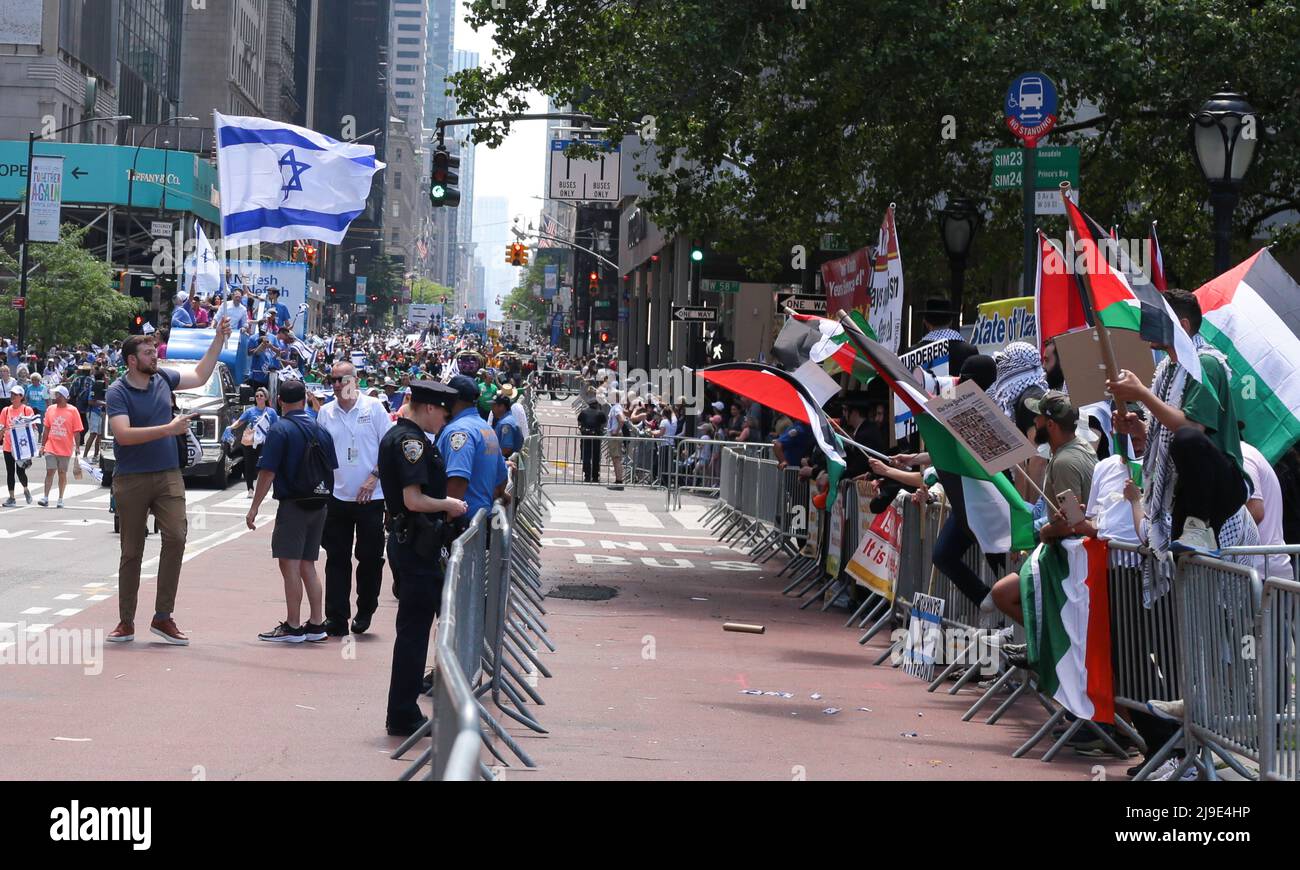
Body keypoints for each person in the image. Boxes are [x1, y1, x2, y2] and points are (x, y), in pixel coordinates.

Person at [105, 320, 232, 645]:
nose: (155, 356)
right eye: (148, 353)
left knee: (176, 537)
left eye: (154, 351)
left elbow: (201, 375)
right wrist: (168, 429)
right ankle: (126, 621)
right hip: (131, 478)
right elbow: (123, 435)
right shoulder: (117, 391)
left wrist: (218, 339)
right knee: (131, 552)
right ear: (132, 360)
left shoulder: (163, 378)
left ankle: (163, 617)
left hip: (168, 474)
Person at [1107, 288, 1249, 558]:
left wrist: (1142, 394)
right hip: (1188, 489)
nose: (1144, 327)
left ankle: (1201, 527)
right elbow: (1168, 437)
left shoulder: (1205, 363)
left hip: (1220, 486)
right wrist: (1139, 429)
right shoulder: (1168, 369)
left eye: (1153, 319)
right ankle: (1197, 531)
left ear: (1182, 326)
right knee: (1182, 567)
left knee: (1187, 439)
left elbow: (1191, 431)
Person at [378, 380, 468, 736]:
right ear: (430, 408)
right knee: (414, 633)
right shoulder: (410, 442)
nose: (444, 422)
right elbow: (413, 500)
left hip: (415, 543)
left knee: (415, 630)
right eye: (443, 414)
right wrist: (449, 504)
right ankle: (402, 714)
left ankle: (403, 711)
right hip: (415, 544)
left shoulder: (406, 437)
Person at [990, 391, 1097, 625]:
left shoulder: (1064, 463)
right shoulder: (1078, 448)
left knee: (1002, 594)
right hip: (1067, 558)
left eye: (1038, 417)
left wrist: (1046, 532)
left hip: (1070, 562)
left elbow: (1074, 524)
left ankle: (1044, 651)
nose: (1034, 422)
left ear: (1050, 424)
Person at [246, 379, 338, 643]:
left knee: (290, 563)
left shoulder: (281, 429)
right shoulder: (321, 428)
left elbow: (268, 471)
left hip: (294, 504)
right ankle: (317, 623)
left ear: (279, 401)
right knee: (308, 563)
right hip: (319, 502)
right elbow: (332, 467)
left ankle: (293, 625)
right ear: (304, 399)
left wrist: (254, 507)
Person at [317, 361, 395, 636]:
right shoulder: (326, 412)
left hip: (370, 497)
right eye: (333, 380)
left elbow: (389, 448)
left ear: (355, 380)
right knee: (336, 558)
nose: (337, 385)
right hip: (337, 497)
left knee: (370, 557)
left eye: (342, 379)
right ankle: (336, 617)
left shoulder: (373, 408)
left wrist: (374, 476)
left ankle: (365, 609)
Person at [439, 375, 509, 522]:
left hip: (462, 523)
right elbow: (502, 479)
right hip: (480, 522)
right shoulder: (487, 429)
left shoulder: (459, 431)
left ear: (453, 398)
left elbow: (457, 480)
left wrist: (446, 521)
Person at [1241, 440, 1292, 582]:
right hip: (1262, 569)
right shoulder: (1244, 453)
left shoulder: (1243, 455)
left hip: (1262, 572)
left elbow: (1255, 512)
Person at [37, 385, 82, 508]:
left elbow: (77, 431)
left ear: (62, 396)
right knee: (50, 471)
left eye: (57, 395)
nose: (55, 397)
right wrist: (42, 446)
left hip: (65, 448)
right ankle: (45, 497)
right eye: (55, 394)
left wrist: (77, 447)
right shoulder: (50, 409)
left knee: (62, 473)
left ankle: (60, 498)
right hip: (51, 446)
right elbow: (46, 428)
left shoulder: (73, 410)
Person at [231, 387, 277, 496]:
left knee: (261, 466)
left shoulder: (271, 412)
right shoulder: (250, 411)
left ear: (266, 397)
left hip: (264, 442)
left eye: (261, 396)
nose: (259, 398)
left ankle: (263, 488)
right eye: (257, 396)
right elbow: (239, 421)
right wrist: (230, 428)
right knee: (249, 465)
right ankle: (250, 489)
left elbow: (276, 426)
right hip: (250, 442)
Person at [1, 385, 37, 506]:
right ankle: (12, 497)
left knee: (20, 471)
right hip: (8, 446)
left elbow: (32, 427)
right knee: (10, 472)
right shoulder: (5, 410)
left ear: (21, 397)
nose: (12, 396)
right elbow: (1, 427)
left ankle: (26, 489)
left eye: (15, 395)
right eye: (11, 394)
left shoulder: (27, 410)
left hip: (22, 447)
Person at [576, 395, 607, 484]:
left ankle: (587, 476)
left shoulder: (583, 412)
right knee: (596, 457)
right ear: (597, 404)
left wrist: (582, 429)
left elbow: (579, 422)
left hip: (585, 437)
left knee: (586, 456)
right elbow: (603, 424)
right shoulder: (600, 413)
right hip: (596, 437)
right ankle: (595, 476)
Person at [492, 395, 522, 460]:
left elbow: (506, 448)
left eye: (494, 406)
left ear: (502, 407)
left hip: (506, 461)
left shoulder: (506, 423)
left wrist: (492, 459)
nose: (492, 409)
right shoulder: (508, 419)